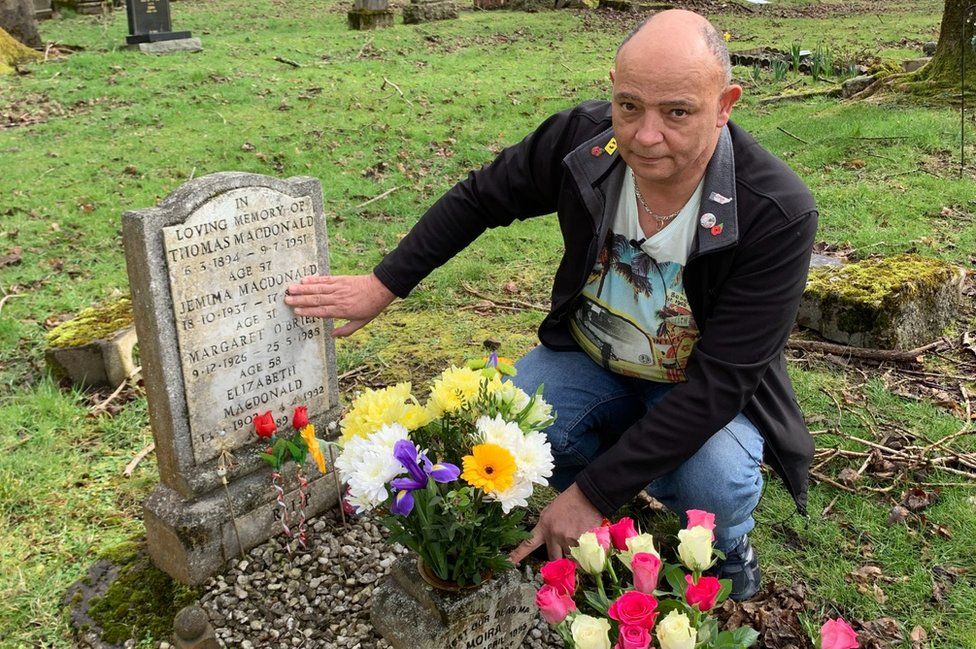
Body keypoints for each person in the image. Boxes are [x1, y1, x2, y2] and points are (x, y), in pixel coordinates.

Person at [284, 9, 817, 601]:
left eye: (678, 112)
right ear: (612, 86)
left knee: (715, 480)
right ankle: (590, 501)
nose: (644, 135)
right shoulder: (583, 143)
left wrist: (593, 494)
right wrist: (384, 284)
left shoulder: (775, 209)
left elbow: (720, 385)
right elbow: (480, 198)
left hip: (695, 384)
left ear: (725, 105)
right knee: (504, 430)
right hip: (590, 358)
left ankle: (725, 541)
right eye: (629, 104)